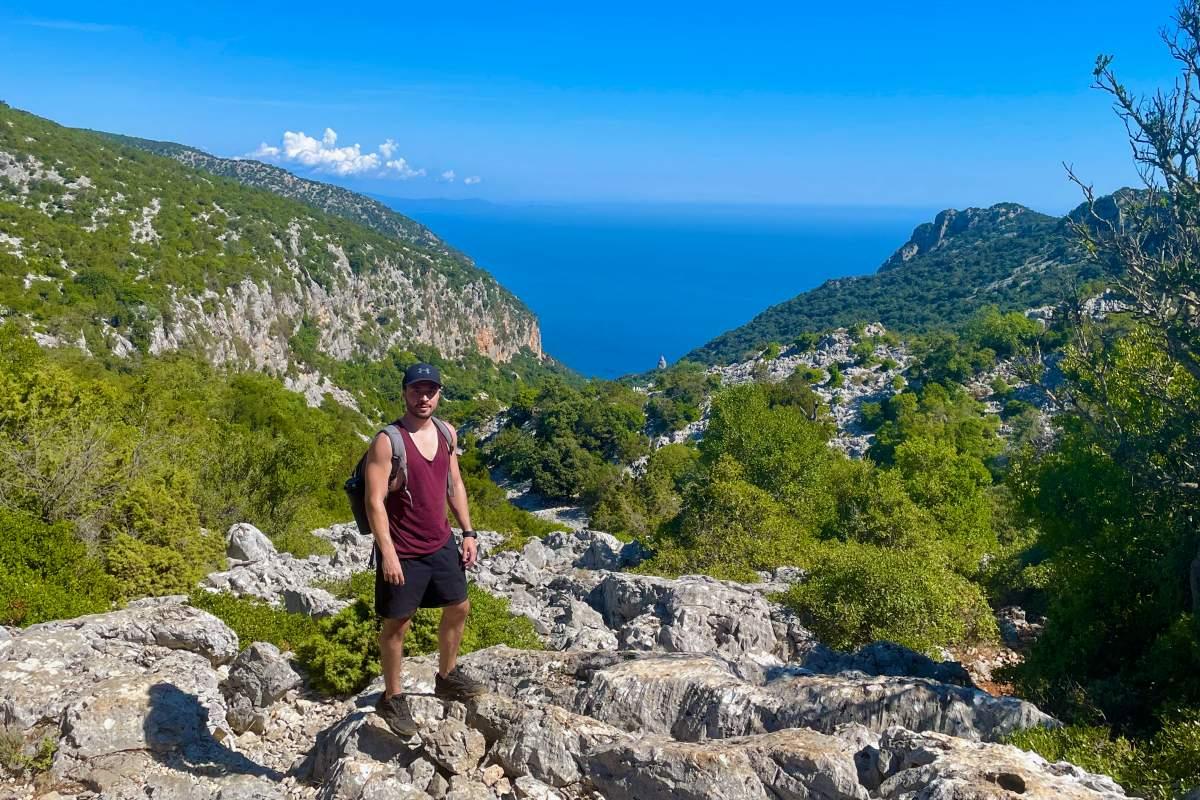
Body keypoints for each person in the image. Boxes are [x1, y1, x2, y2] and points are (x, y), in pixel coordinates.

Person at [364, 362, 485, 737]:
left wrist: (468, 531)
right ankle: (392, 696)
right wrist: (387, 553)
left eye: (430, 390)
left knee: (459, 606)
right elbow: (374, 502)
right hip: (404, 549)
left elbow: (455, 484)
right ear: (404, 393)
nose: (424, 397)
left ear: (439, 394)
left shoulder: (447, 433)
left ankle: (446, 676)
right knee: (397, 623)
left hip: (440, 542)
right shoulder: (388, 441)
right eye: (417, 390)